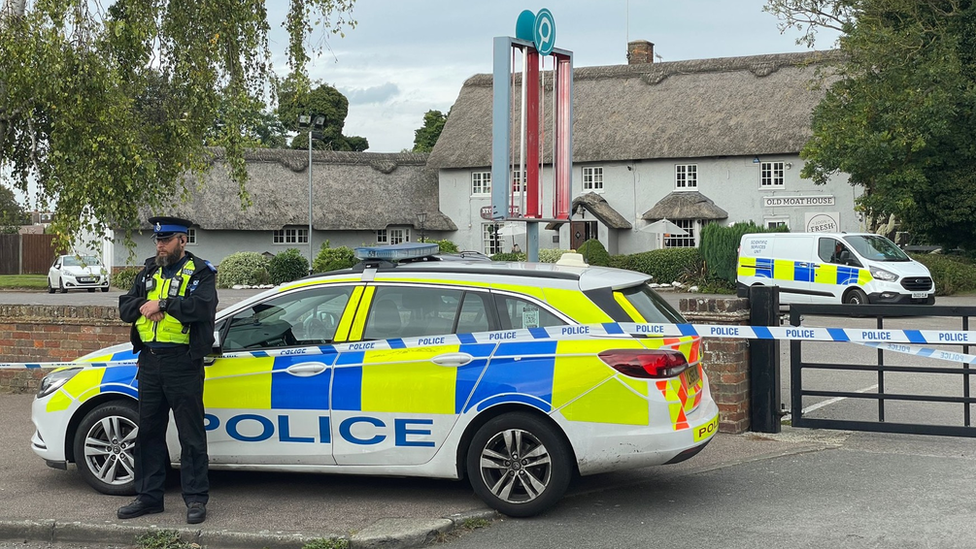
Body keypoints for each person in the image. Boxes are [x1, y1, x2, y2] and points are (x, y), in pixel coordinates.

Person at [117, 216, 218, 525]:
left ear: (182, 241)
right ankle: (149, 497)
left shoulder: (200, 272)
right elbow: (125, 307)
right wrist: (146, 305)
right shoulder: (148, 270)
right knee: (148, 432)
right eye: (157, 240)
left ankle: (196, 499)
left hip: (183, 362)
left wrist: (163, 302)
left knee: (191, 434)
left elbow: (203, 307)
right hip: (149, 361)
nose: (160, 245)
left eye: (166, 240)